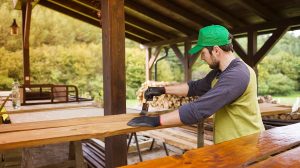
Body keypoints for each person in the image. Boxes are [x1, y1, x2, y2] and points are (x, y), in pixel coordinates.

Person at [127, 25, 265, 144]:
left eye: (203, 52)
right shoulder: (221, 72)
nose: (202, 57)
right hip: (232, 145)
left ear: (216, 50)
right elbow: (194, 87)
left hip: (246, 146)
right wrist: (161, 89)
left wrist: (155, 120)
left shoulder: (237, 75)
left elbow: (199, 110)